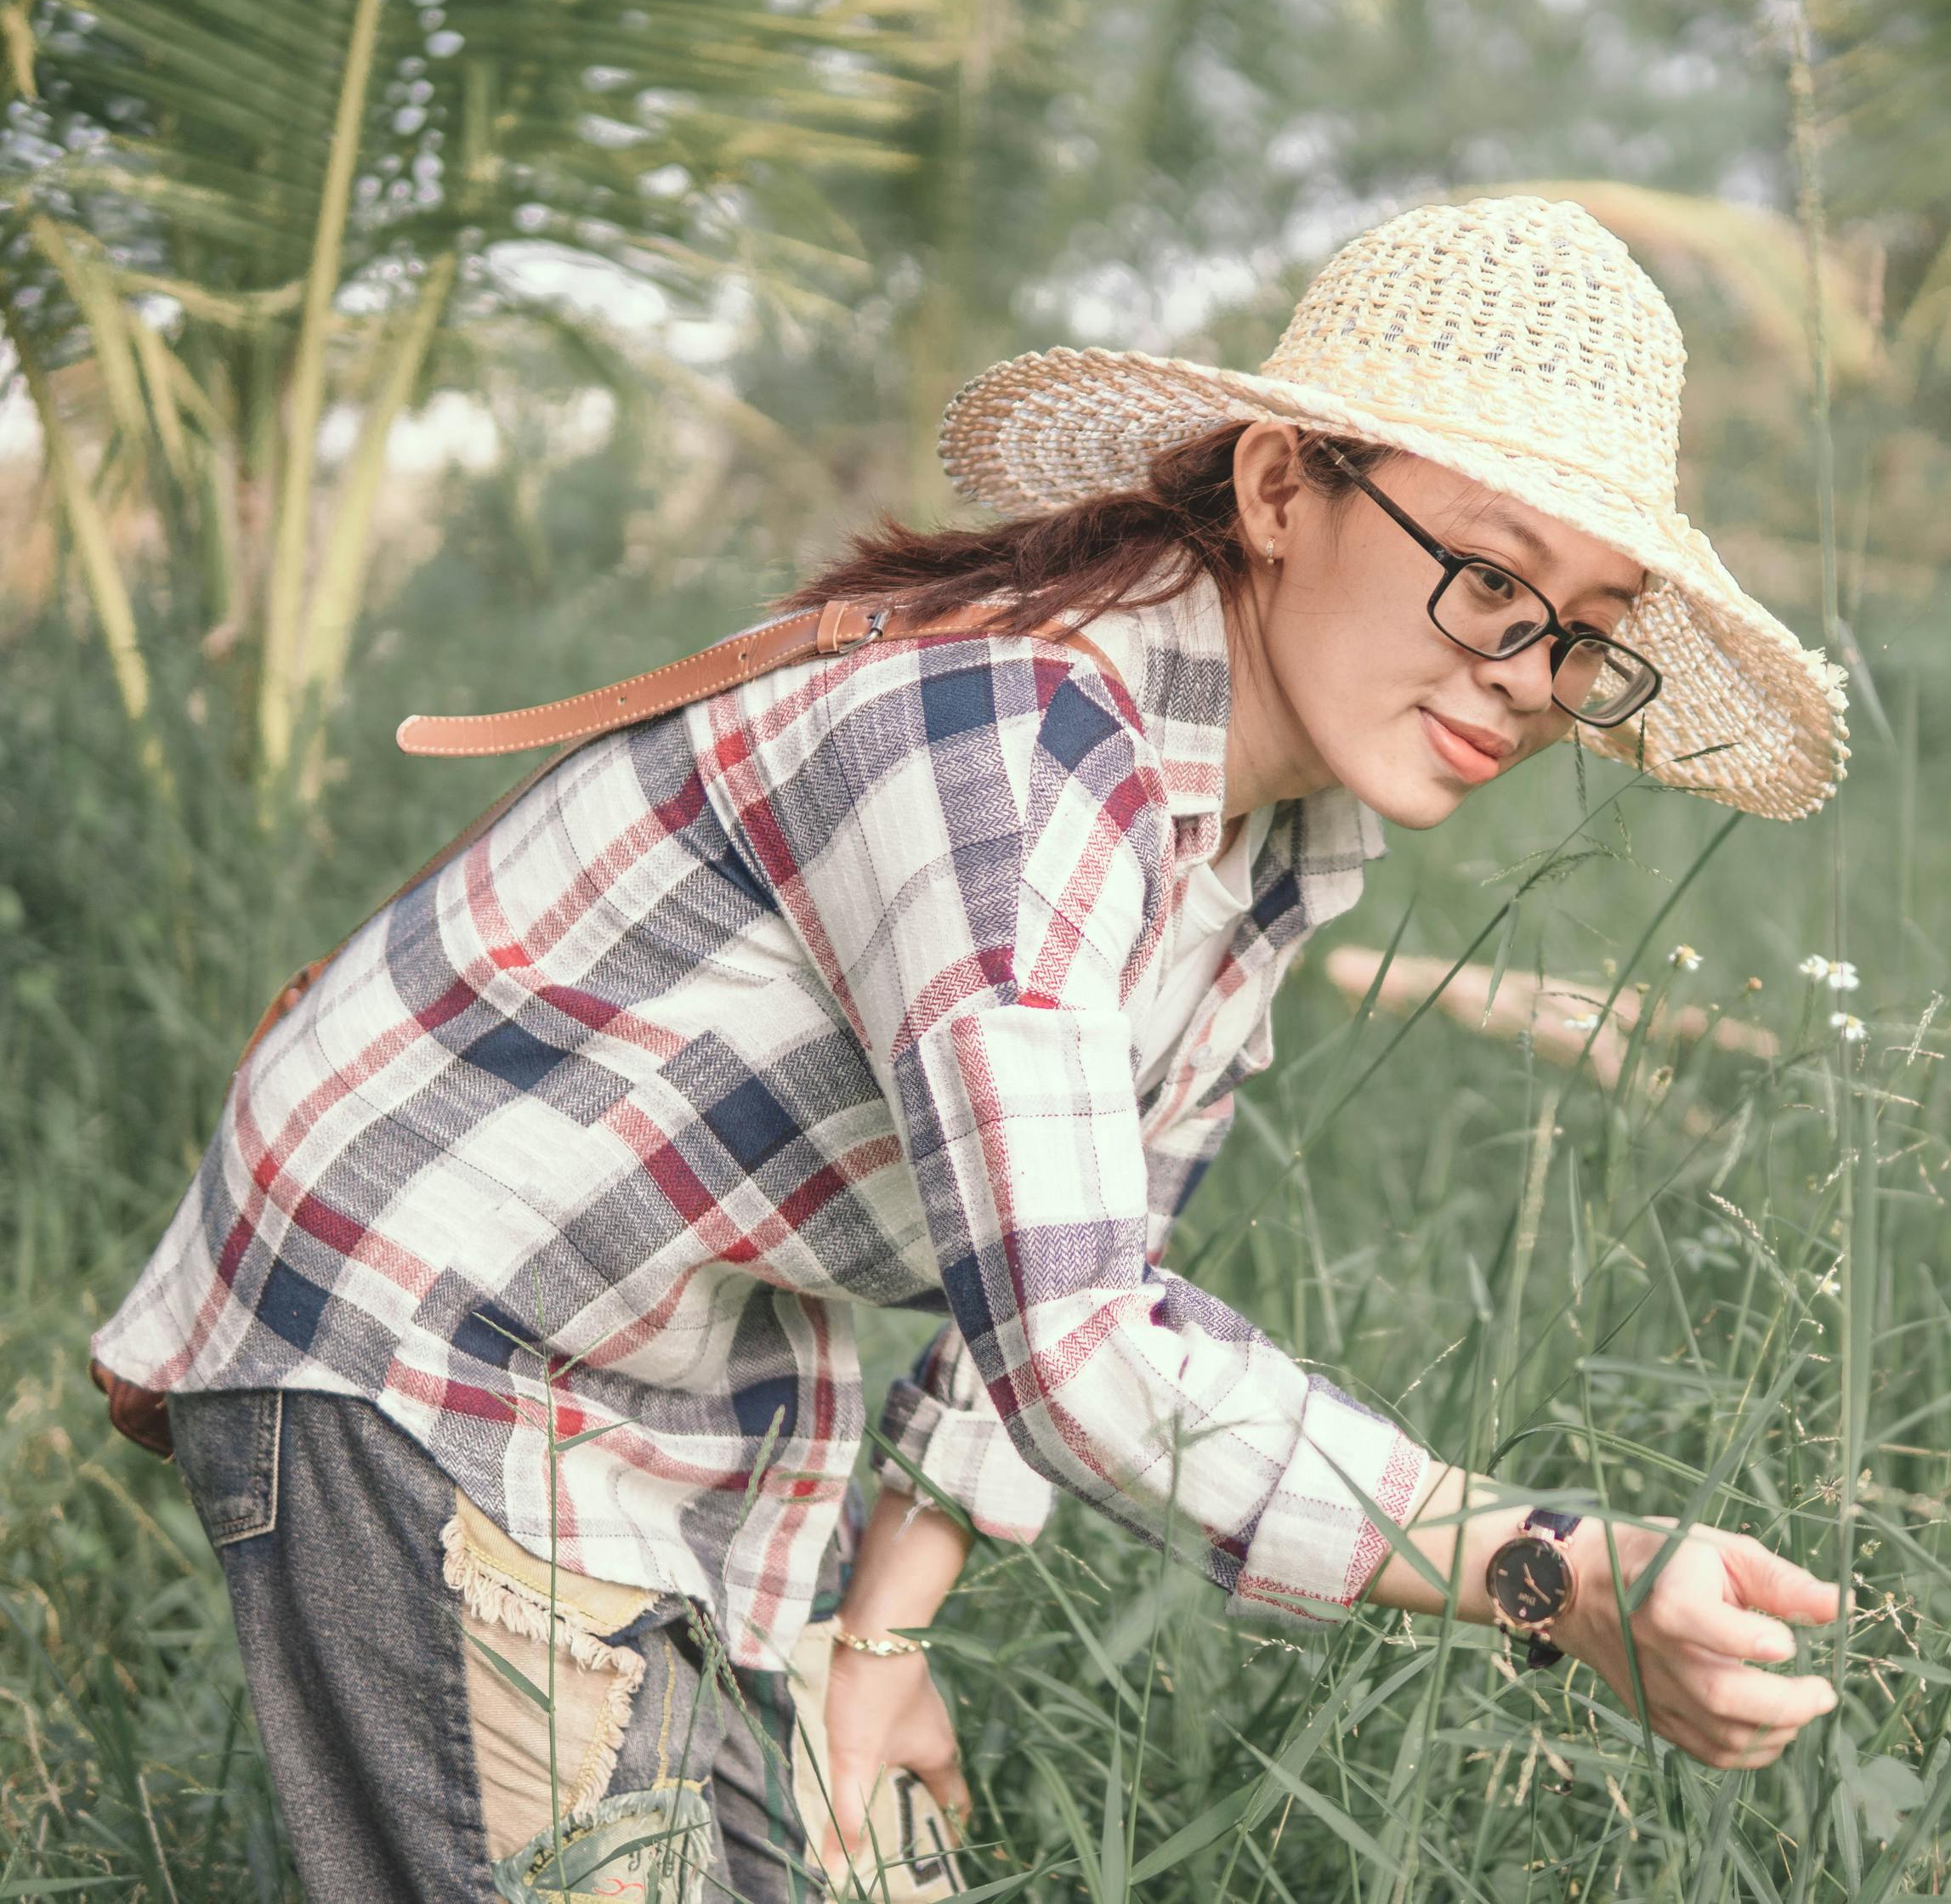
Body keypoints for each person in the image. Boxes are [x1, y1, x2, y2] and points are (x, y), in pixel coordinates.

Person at [89, 193, 1852, 1901]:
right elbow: (1084, 1350)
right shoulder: (1012, 752)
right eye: (1487, 581)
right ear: (1277, 491)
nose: (1523, 679)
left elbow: (1093, 1255)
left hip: (678, 1367)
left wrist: (879, 1643)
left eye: (1583, 638)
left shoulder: (1276, 835)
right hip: (430, 1328)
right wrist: (1544, 1569)